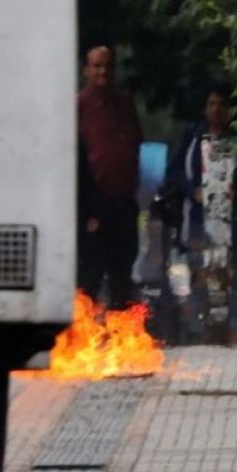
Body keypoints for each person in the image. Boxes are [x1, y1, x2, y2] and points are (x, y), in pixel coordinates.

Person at [167, 83, 237, 344]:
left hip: (233, 228)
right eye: (212, 104)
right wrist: (191, 190)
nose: (216, 110)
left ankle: (233, 339)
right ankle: (202, 339)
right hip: (198, 224)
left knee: (234, 289)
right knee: (199, 288)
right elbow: (173, 172)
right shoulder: (192, 138)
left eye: (222, 104)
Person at [76, 45, 144, 308]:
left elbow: (136, 145)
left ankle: (119, 336)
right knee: (90, 277)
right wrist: (87, 211)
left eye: (108, 66)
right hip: (94, 207)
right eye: (96, 66)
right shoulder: (78, 106)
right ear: (86, 70)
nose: (103, 71)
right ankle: (83, 339)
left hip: (124, 203)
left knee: (122, 275)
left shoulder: (125, 104)